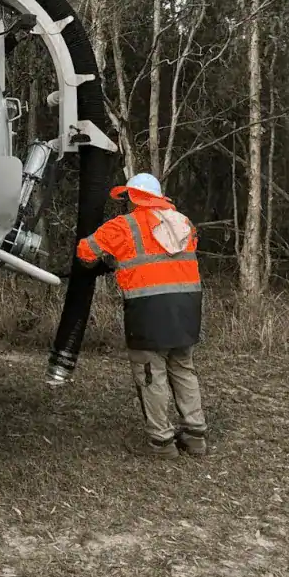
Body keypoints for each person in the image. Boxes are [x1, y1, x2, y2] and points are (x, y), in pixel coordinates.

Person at [74, 172, 208, 459]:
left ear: (133, 197)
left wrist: (108, 261)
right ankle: (195, 436)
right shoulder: (183, 222)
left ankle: (161, 443)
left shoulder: (124, 226)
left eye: (127, 198)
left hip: (149, 310)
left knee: (151, 373)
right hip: (187, 307)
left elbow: (85, 252)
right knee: (183, 367)